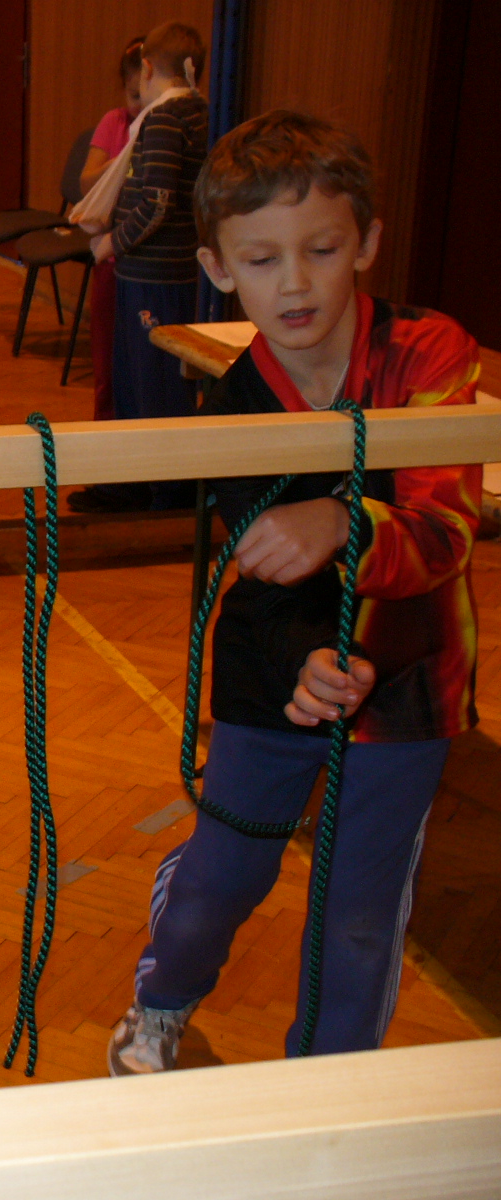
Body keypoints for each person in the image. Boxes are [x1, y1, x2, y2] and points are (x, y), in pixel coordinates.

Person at [107, 111, 482, 1075]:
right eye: (263, 260)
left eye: (322, 250)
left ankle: (328, 1092)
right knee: (221, 878)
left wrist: (343, 519)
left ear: (367, 242)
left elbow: (444, 530)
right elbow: (266, 581)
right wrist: (306, 663)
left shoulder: (430, 354)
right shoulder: (234, 406)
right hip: (274, 676)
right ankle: (162, 998)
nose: (298, 284)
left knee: (358, 917)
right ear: (219, 269)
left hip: (408, 687)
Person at [71, 21, 207, 513]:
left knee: (153, 386)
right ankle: (130, 481)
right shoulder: (190, 112)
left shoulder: (167, 118)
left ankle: (164, 492)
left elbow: (157, 201)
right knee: (130, 378)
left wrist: (112, 242)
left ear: (147, 68)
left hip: (154, 278)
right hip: (146, 274)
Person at [78, 36, 144, 424]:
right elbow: (87, 182)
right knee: (106, 361)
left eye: (146, 97)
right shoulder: (115, 122)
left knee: (144, 367)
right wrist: (121, 162)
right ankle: (104, 430)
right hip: (112, 263)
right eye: (133, 96)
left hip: (147, 270)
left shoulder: (166, 131)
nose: (139, 106)